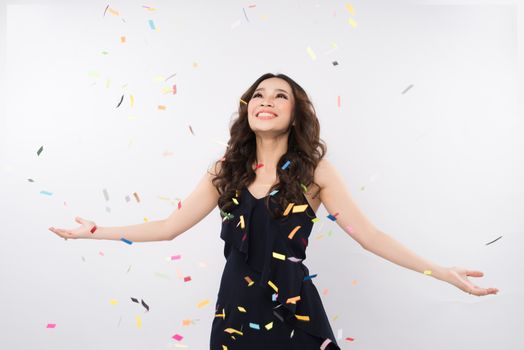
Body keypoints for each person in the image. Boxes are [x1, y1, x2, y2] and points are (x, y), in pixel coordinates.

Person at [49, 73, 499, 349]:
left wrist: (441, 272)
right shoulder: (224, 170)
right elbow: (169, 227)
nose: (266, 101)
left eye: (279, 95)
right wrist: (97, 231)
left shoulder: (316, 172)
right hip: (235, 315)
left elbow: (370, 236)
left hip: (295, 313)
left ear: (296, 111)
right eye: (258, 95)